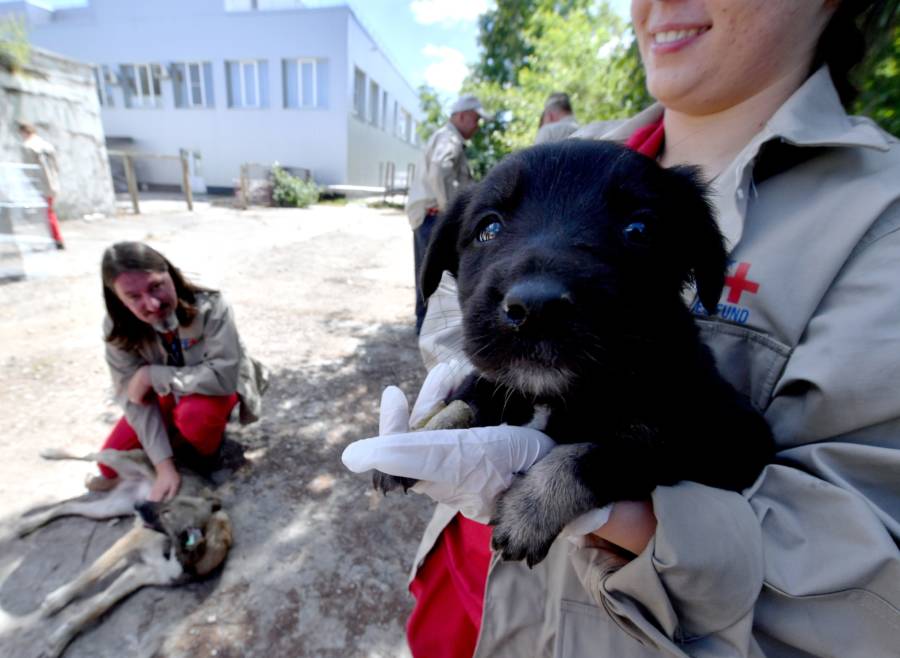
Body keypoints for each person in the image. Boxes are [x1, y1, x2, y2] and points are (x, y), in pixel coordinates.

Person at [347, 0, 900, 656]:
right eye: (492, 227)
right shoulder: (566, 148)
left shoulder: (878, 222)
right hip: (466, 603)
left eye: (635, 231)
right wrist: (466, 403)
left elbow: (866, 592)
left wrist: (599, 489)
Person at [93, 241, 267, 502]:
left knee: (194, 416)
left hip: (215, 389)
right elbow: (135, 402)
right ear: (117, 299)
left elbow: (222, 377)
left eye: (156, 286)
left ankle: (208, 455)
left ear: (170, 275)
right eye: (133, 297)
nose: (151, 304)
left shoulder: (211, 305)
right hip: (167, 394)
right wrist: (163, 467)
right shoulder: (116, 330)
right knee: (108, 465)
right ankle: (175, 447)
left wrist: (151, 376)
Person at [406, 94, 491, 334]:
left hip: (429, 216)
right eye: (476, 119)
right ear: (462, 116)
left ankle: (426, 330)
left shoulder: (447, 137)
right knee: (439, 281)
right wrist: (452, 217)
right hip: (434, 217)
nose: (477, 126)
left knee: (428, 278)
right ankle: (432, 335)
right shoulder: (448, 138)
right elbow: (440, 171)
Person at [18, 122, 65, 250]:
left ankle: (56, 239)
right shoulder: (46, 145)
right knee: (48, 212)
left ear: (24, 132)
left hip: (40, 185)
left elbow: (29, 170)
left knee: (47, 213)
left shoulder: (28, 146)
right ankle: (55, 239)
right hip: (52, 183)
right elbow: (56, 166)